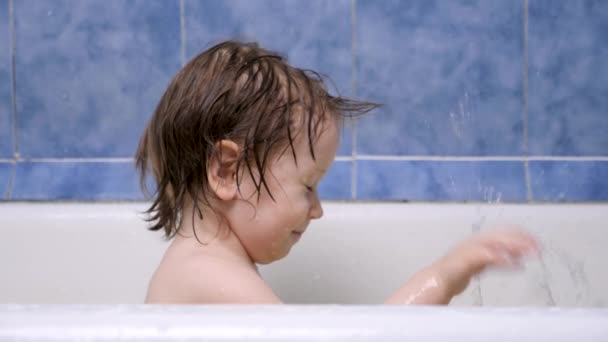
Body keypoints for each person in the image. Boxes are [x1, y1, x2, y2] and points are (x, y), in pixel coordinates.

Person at [136, 40, 539, 304]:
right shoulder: (212, 276)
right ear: (227, 172)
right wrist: (445, 275)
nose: (317, 209)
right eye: (308, 185)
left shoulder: (207, 264)